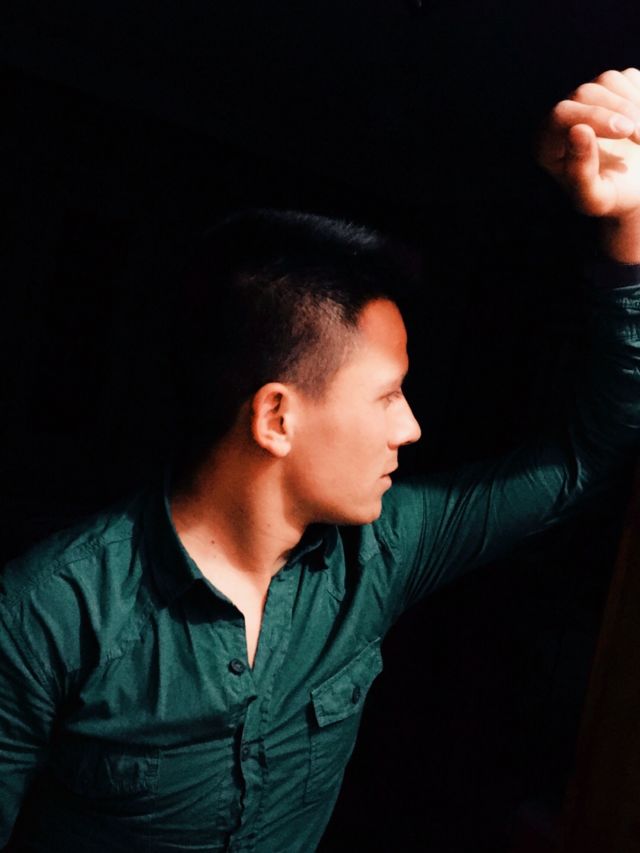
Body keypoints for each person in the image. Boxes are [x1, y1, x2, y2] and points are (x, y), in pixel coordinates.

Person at [1, 69, 640, 853]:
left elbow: (585, 456)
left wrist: (630, 226)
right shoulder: (48, 613)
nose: (411, 426)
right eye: (387, 395)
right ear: (277, 417)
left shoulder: (382, 548)